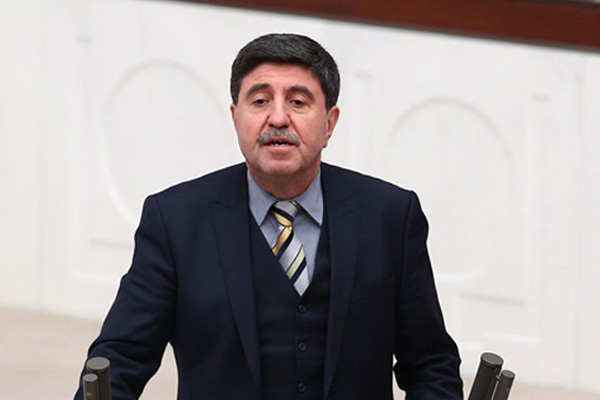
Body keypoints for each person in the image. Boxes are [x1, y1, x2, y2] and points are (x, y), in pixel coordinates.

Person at [74, 33, 463, 400]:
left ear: (329, 123)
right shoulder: (175, 220)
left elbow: (430, 363)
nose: (277, 118)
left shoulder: (390, 216)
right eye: (260, 101)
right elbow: (121, 358)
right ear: (235, 118)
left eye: (298, 102)